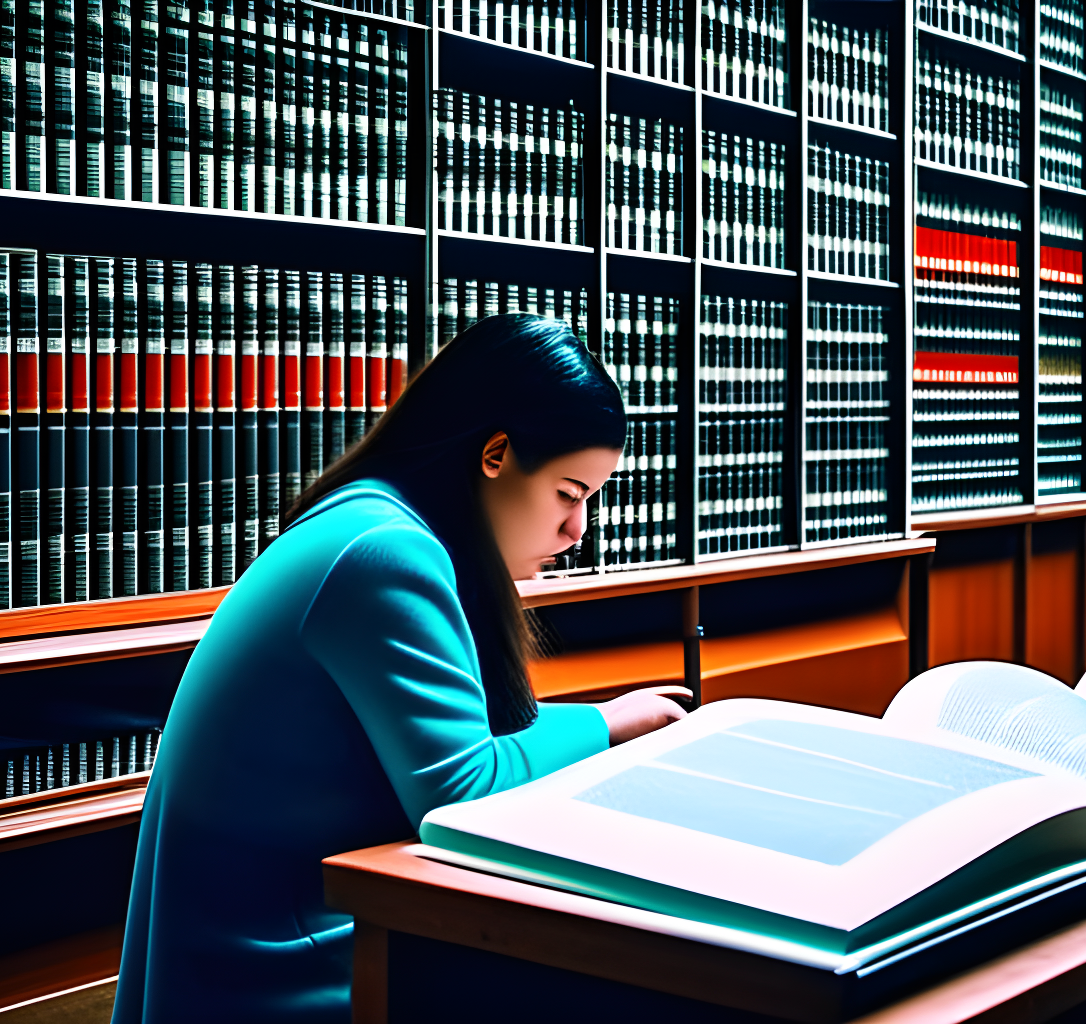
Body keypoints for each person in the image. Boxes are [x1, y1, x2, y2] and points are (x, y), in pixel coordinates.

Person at [112, 315, 687, 1023]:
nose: (579, 532)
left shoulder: (372, 522)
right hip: (280, 966)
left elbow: (464, 755)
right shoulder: (387, 556)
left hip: (272, 934)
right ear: (496, 454)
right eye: (570, 494)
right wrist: (603, 724)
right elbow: (461, 793)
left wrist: (609, 721)